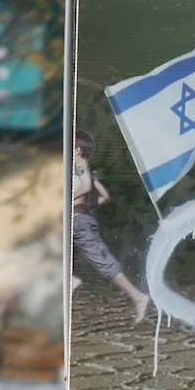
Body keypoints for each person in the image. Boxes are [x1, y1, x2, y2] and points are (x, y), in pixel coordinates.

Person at [72, 132, 150, 322]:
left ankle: (139, 297)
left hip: (79, 222)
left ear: (77, 150)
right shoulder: (80, 168)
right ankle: (70, 282)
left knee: (104, 264)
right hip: (78, 220)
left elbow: (86, 187)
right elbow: (104, 196)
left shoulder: (80, 165)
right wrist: (86, 207)